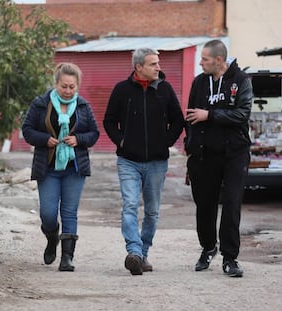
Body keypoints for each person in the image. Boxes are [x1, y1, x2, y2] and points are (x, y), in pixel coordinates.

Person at [103, 48, 184, 275]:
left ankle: (143, 252)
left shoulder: (165, 90)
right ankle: (134, 252)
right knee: (130, 205)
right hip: (128, 161)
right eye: (153, 64)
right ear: (139, 67)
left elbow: (178, 120)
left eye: (158, 63)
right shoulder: (122, 90)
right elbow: (109, 121)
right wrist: (121, 142)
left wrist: (165, 142)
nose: (159, 67)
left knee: (152, 211)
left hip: (157, 162)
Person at [22, 62, 99, 272]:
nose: (67, 91)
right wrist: (45, 139)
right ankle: (51, 237)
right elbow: (27, 130)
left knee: (69, 211)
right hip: (47, 167)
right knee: (48, 213)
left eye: (72, 87)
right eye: (64, 86)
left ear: (77, 87)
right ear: (56, 84)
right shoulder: (40, 104)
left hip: (74, 167)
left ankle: (67, 257)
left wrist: (78, 139)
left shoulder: (83, 106)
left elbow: (94, 133)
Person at [184, 39, 253, 277]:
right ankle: (207, 248)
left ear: (219, 60)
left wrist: (210, 115)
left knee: (232, 203)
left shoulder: (240, 80)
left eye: (204, 59)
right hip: (204, 155)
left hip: (235, 153)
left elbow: (242, 114)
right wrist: (189, 148)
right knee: (205, 204)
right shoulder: (199, 83)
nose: (200, 63)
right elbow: (191, 118)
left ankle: (230, 257)